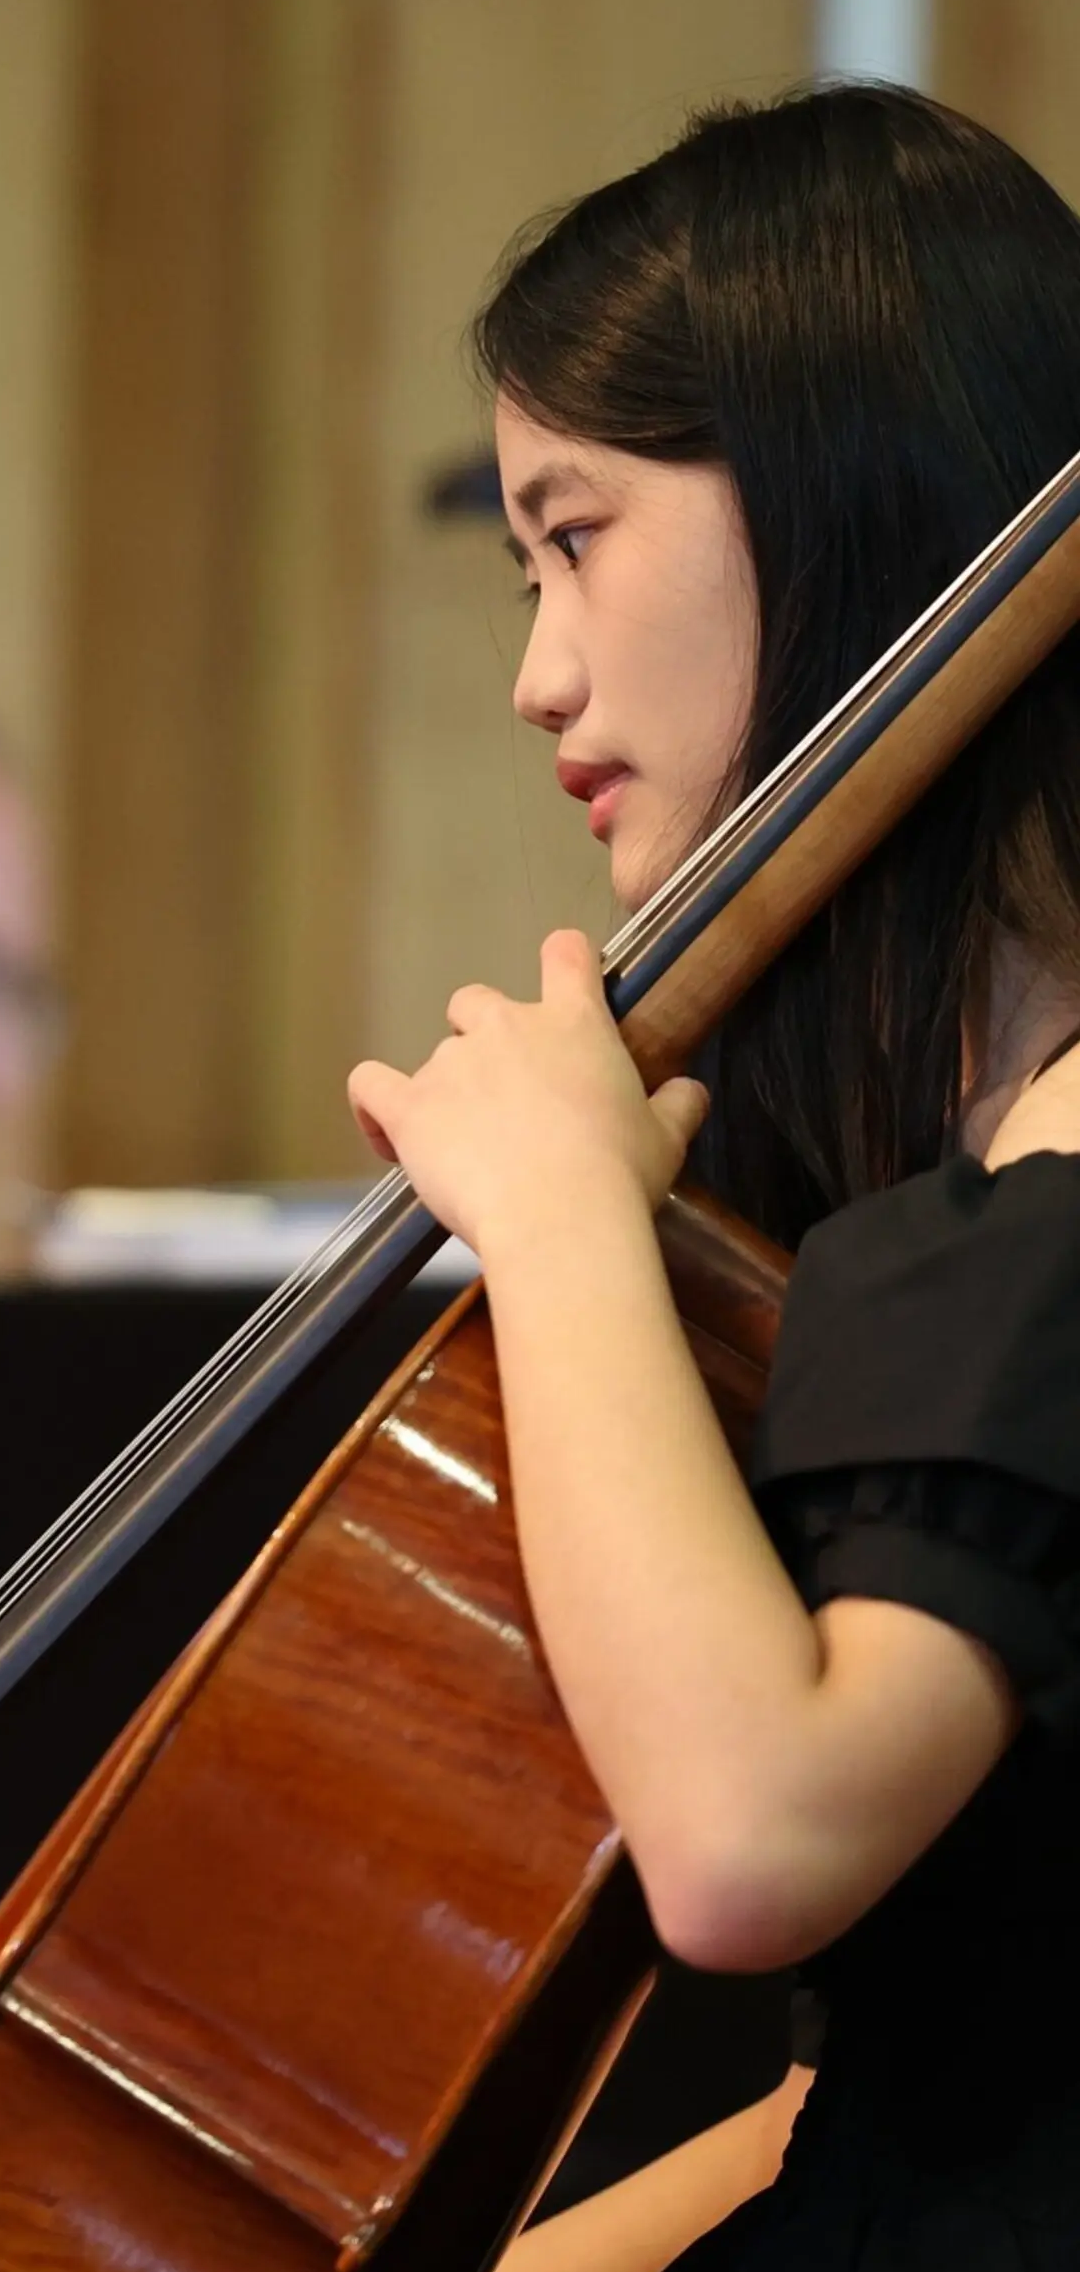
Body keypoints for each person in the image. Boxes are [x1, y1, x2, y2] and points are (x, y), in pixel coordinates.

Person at [348, 83, 1080, 2267]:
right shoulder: (946, 1172)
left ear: (836, 491)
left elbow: (753, 1834)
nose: (534, 672)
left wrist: (571, 1219)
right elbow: (884, 2092)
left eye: (575, 536)